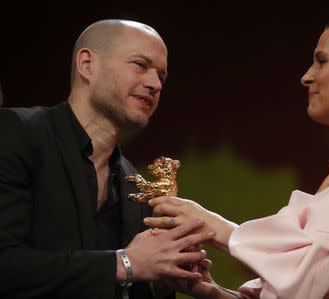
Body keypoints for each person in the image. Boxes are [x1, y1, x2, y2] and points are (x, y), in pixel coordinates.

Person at [145, 10, 329, 298]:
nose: (307, 77)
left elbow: (313, 268)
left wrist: (214, 227)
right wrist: (214, 292)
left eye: (321, 61)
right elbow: (310, 286)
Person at [0, 19, 215, 299]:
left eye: (161, 77)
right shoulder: (15, 132)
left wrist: (158, 286)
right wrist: (126, 263)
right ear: (87, 64)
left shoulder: (137, 191)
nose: (154, 84)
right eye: (140, 64)